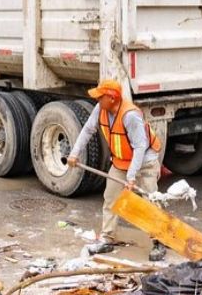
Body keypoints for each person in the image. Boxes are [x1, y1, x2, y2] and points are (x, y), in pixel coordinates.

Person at [66, 79, 167, 262]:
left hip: (144, 161)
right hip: (121, 161)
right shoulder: (101, 109)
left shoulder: (130, 115)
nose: (97, 100)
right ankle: (107, 238)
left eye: (100, 97)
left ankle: (159, 240)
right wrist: (74, 154)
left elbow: (139, 147)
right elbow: (88, 130)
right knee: (111, 197)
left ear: (112, 98)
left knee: (150, 200)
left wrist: (131, 177)